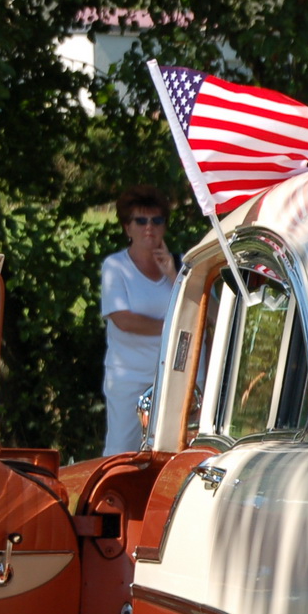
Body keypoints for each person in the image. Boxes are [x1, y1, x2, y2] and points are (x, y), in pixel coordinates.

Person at [100, 186, 177, 455]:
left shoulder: (182, 266)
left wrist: (173, 275)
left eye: (157, 221)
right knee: (122, 453)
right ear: (127, 227)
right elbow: (124, 320)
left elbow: (210, 314)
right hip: (129, 378)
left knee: (174, 454)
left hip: (177, 376)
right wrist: (176, 328)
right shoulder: (115, 267)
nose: (149, 228)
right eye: (141, 221)